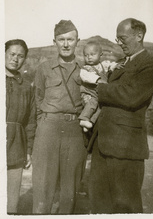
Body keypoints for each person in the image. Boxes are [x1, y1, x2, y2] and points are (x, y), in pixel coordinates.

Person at [88, 18, 153, 214]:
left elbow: (130, 96)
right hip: (102, 145)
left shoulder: (152, 64)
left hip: (126, 148)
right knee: (99, 204)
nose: (118, 43)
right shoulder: (120, 64)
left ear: (139, 36)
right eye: (117, 38)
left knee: (125, 206)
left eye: (122, 38)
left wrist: (100, 85)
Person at [32, 20, 87, 214]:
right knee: (43, 185)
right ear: (54, 41)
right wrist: (44, 126)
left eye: (70, 39)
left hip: (74, 132)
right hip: (48, 129)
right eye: (61, 39)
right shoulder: (44, 69)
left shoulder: (85, 70)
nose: (65, 44)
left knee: (69, 188)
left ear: (77, 41)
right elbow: (37, 100)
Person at [5, 39, 36, 214]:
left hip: (17, 144)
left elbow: (30, 121)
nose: (15, 59)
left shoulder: (26, 86)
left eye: (20, 56)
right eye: (12, 54)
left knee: (11, 202)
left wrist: (28, 150)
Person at [78, 41, 118, 132]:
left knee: (100, 106)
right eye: (86, 55)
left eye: (92, 54)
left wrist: (115, 66)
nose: (89, 57)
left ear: (100, 54)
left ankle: (90, 122)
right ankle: (84, 118)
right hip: (89, 92)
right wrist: (97, 79)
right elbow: (85, 77)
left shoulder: (103, 65)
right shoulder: (85, 68)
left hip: (98, 93)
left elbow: (111, 65)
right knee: (92, 102)